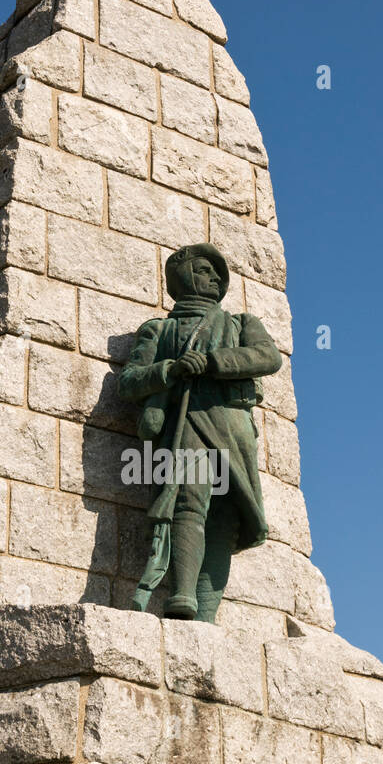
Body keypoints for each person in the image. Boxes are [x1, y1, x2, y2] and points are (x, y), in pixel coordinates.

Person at [118, 243, 282, 622]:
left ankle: (206, 610)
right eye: (204, 270)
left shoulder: (241, 323)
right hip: (186, 421)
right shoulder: (159, 330)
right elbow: (128, 383)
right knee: (190, 501)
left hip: (232, 426)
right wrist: (170, 370)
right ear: (183, 276)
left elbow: (266, 357)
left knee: (226, 515)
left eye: (216, 273)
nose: (214, 278)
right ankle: (182, 597)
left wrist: (211, 362)